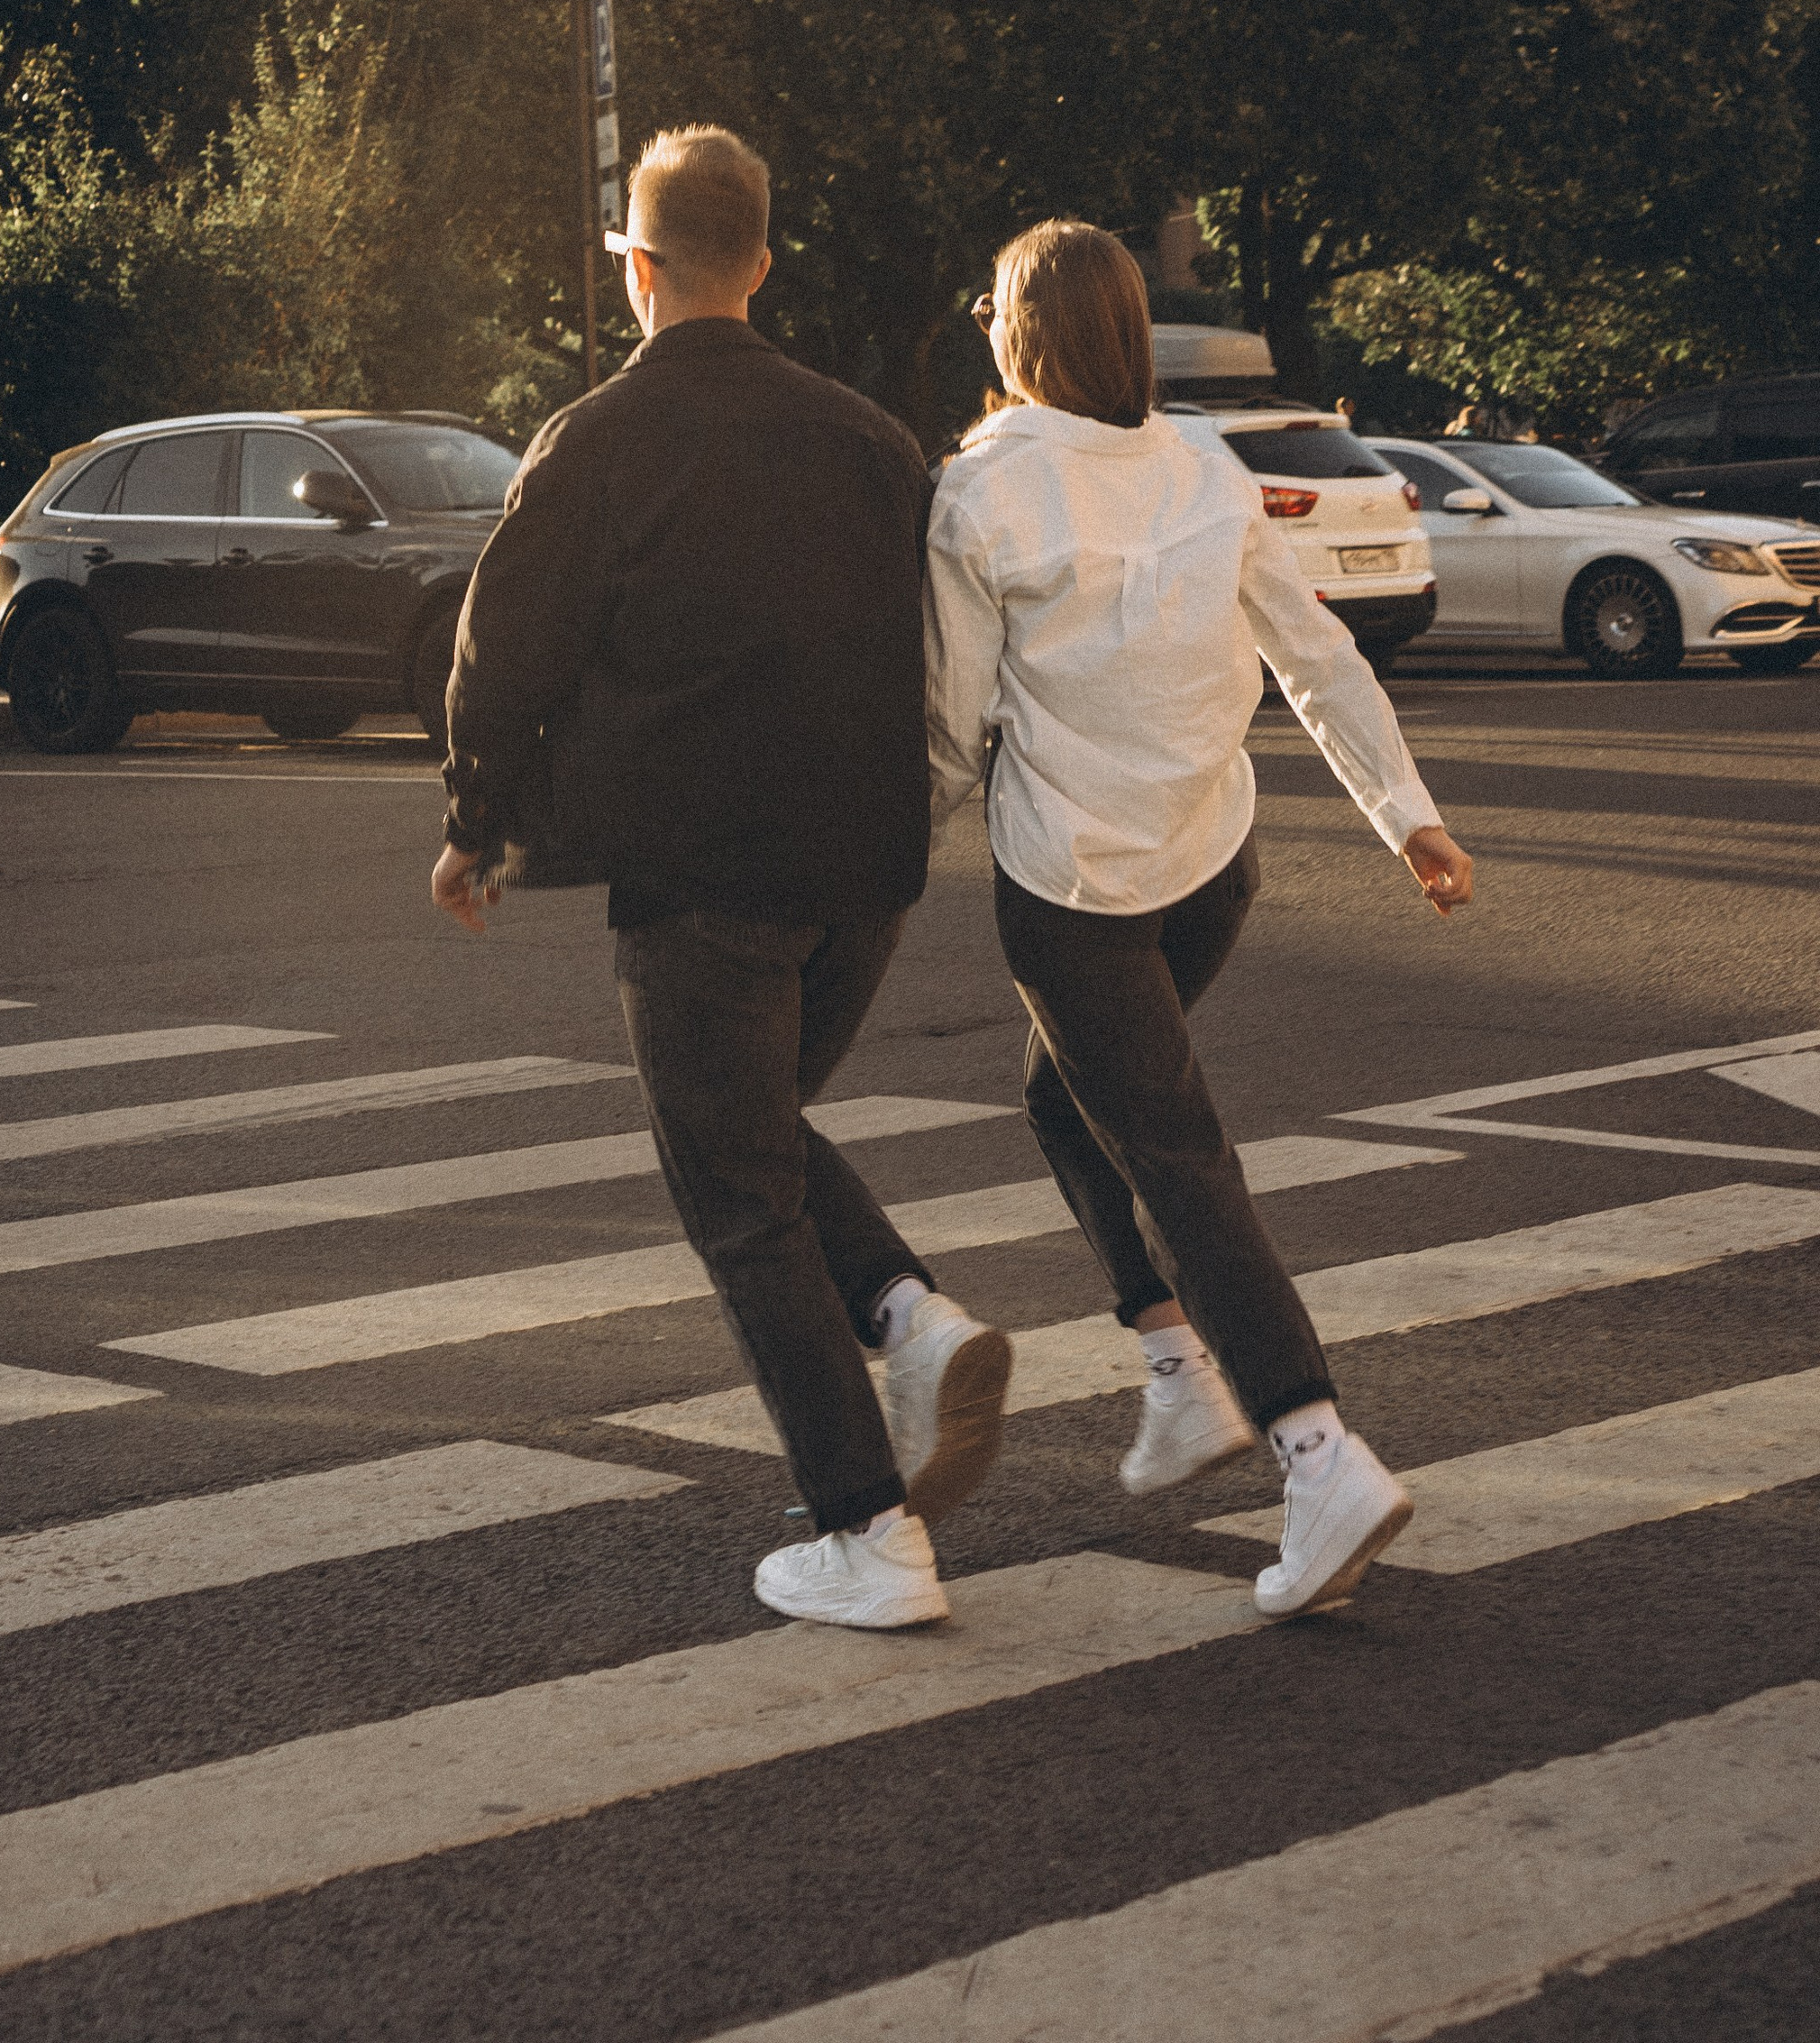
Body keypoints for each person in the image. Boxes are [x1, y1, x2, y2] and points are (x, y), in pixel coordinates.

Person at [432, 124, 1012, 1631]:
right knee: (752, 1132)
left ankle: (868, 1531)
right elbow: (950, 651)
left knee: (734, 1188)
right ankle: (906, 1314)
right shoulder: (873, 440)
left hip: (704, 874)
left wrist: (478, 823)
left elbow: (505, 652)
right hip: (870, 873)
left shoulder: (597, 441)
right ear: (761, 263)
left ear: (636, 267)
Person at [926, 219, 1474, 1621]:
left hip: (1075, 895)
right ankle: (1175, 1371)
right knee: (1066, 1100)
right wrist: (1404, 812)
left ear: (1025, 331)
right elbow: (1317, 654)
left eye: (992, 305)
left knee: (1177, 1158)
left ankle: (1312, 1448)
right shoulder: (1209, 466)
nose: (981, 320)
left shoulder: (980, 494)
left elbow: (948, 723)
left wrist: (855, 862)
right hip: (1212, 870)